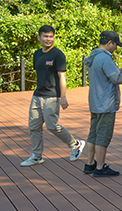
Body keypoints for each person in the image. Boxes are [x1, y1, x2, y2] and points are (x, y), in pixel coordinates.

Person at [20, 25, 85, 167]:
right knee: (34, 126)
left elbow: (62, 77)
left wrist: (63, 97)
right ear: (39, 38)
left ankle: (75, 144)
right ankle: (37, 156)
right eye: (45, 36)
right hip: (37, 95)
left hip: (51, 96)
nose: (48, 39)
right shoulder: (37, 54)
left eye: (51, 36)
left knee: (52, 126)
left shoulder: (58, 55)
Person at [83, 31, 122, 177]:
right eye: (116, 45)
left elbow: (105, 75)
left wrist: (120, 69)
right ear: (109, 43)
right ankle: (100, 168)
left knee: (92, 134)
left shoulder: (94, 56)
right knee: (103, 136)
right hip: (106, 103)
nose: (116, 48)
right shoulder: (105, 58)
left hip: (95, 102)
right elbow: (118, 79)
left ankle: (90, 164)